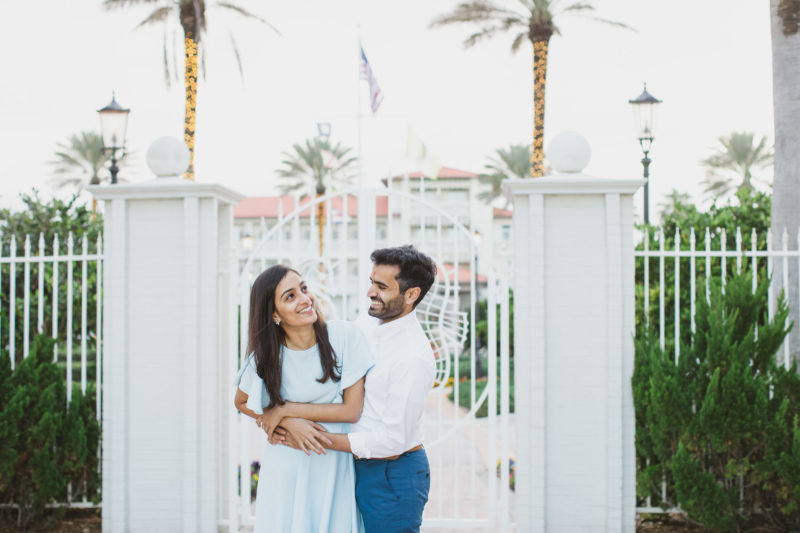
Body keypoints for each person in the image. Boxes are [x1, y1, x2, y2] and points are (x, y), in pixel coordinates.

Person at [267, 245, 437, 533]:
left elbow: (392, 441)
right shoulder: (369, 321)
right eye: (371, 282)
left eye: (381, 287)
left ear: (411, 295)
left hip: (391, 474)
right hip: (356, 467)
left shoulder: (413, 357)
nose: (370, 292)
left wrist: (310, 436)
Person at [233, 265, 374, 533]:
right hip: (286, 465)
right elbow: (240, 401)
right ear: (274, 314)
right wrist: (286, 425)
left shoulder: (345, 336)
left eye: (304, 288)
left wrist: (284, 410)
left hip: (331, 465)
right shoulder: (265, 357)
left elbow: (352, 411)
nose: (305, 299)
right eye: (290, 296)